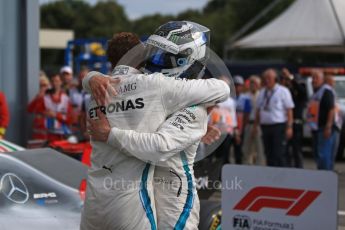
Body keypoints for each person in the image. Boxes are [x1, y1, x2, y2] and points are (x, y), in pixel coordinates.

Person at [81, 25, 230, 230]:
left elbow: (160, 142)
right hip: (137, 200)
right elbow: (221, 88)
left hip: (101, 198)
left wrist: (90, 78)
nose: (155, 60)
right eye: (154, 54)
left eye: (162, 55)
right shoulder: (156, 87)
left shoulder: (95, 93)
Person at [254, 69, 294, 167]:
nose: (266, 80)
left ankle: (282, 177)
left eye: (269, 78)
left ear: (275, 79)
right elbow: (258, 110)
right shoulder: (262, 92)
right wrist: (256, 126)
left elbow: (289, 110)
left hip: (278, 126)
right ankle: (270, 176)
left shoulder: (283, 91)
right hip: (265, 126)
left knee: (278, 153)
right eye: (265, 78)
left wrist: (289, 127)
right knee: (268, 153)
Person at [27, 74, 73, 141]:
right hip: (44, 137)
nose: (54, 83)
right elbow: (30, 110)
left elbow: (70, 118)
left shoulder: (66, 99)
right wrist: (38, 98)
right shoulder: (44, 97)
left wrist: (55, 115)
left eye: (57, 81)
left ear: (61, 82)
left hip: (60, 137)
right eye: (53, 81)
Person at [307, 71, 336, 170]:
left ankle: (325, 178)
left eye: (316, 78)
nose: (313, 80)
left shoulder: (326, 91)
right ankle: (321, 176)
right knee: (317, 154)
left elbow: (331, 109)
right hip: (316, 128)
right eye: (312, 78)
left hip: (324, 128)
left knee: (323, 155)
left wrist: (328, 126)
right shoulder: (316, 92)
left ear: (322, 80)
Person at [280, 68, 307, 168]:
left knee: (296, 150)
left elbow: (301, 90)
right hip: (284, 124)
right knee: (285, 150)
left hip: (296, 124)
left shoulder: (300, 93)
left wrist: (290, 78)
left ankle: (299, 170)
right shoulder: (285, 91)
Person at [242, 75, 265, 165]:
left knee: (260, 149)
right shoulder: (246, 96)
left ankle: (260, 168)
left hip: (259, 125)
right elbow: (245, 113)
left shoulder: (262, 95)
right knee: (247, 148)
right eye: (251, 83)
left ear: (259, 85)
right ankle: (247, 167)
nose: (252, 85)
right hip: (249, 124)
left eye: (255, 83)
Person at [233, 75, 251, 164]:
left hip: (240, 126)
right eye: (235, 85)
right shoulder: (229, 98)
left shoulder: (246, 98)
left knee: (239, 149)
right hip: (230, 127)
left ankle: (238, 165)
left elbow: (247, 114)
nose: (237, 87)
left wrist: (242, 128)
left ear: (242, 86)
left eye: (239, 85)